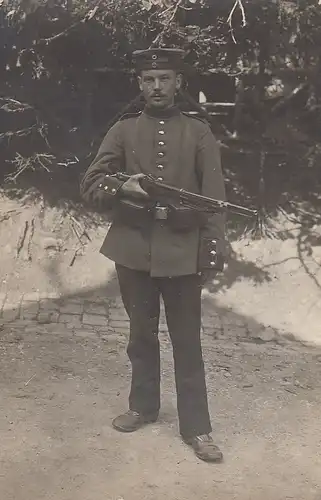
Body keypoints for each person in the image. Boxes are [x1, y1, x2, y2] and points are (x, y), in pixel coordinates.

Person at [80, 48, 226, 463]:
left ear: (178, 82)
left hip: (183, 253)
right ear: (139, 85)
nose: (157, 87)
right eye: (149, 79)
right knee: (140, 336)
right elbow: (91, 183)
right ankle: (142, 407)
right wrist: (122, 189)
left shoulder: (198, 132)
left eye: (165, 78)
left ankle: (198, 429)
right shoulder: (123, 131)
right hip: (133, 251)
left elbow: (215, 199)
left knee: (187, 342)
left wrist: (210, 252)